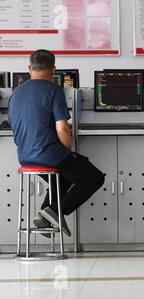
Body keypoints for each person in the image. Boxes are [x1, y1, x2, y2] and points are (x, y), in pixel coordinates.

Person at [8, 49, 105, 237]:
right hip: (49, 156)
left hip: (25, 157)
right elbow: (62, 128)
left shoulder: (16, 92)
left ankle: (46, 214)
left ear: (29, 68)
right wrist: (68, 150)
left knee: (62, 178)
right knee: (94, 178)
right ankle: (54, 212)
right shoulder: (53, 90)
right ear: (54, 69)